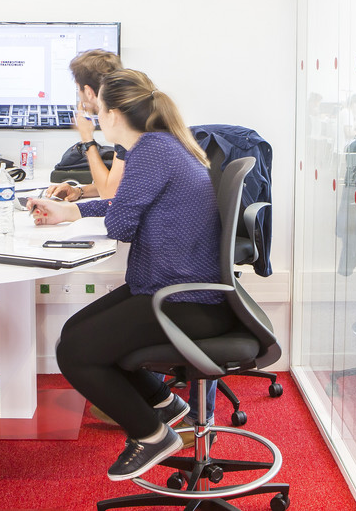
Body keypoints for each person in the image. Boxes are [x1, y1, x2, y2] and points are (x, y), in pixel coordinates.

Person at [27, 70, 239, 481]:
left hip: (184, 301)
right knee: (73, 331)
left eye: (97, 108)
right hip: (175, 290)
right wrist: (73, 210)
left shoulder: (149, 151)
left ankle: (152, 434)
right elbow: (129, 204)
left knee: (75, 353)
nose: (92, 114)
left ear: (113, 114)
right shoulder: (160, 145)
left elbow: (123, 222)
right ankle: (165, 404)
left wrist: (91, 207)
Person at [46, 49, 125, 201]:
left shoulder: (124, 127)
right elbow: (119, 183)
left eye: (78, 89)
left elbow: (109, 194)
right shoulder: (127, 114)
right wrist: (79, 191)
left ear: (88, 92)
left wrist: (87, 138)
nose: (78, 95)